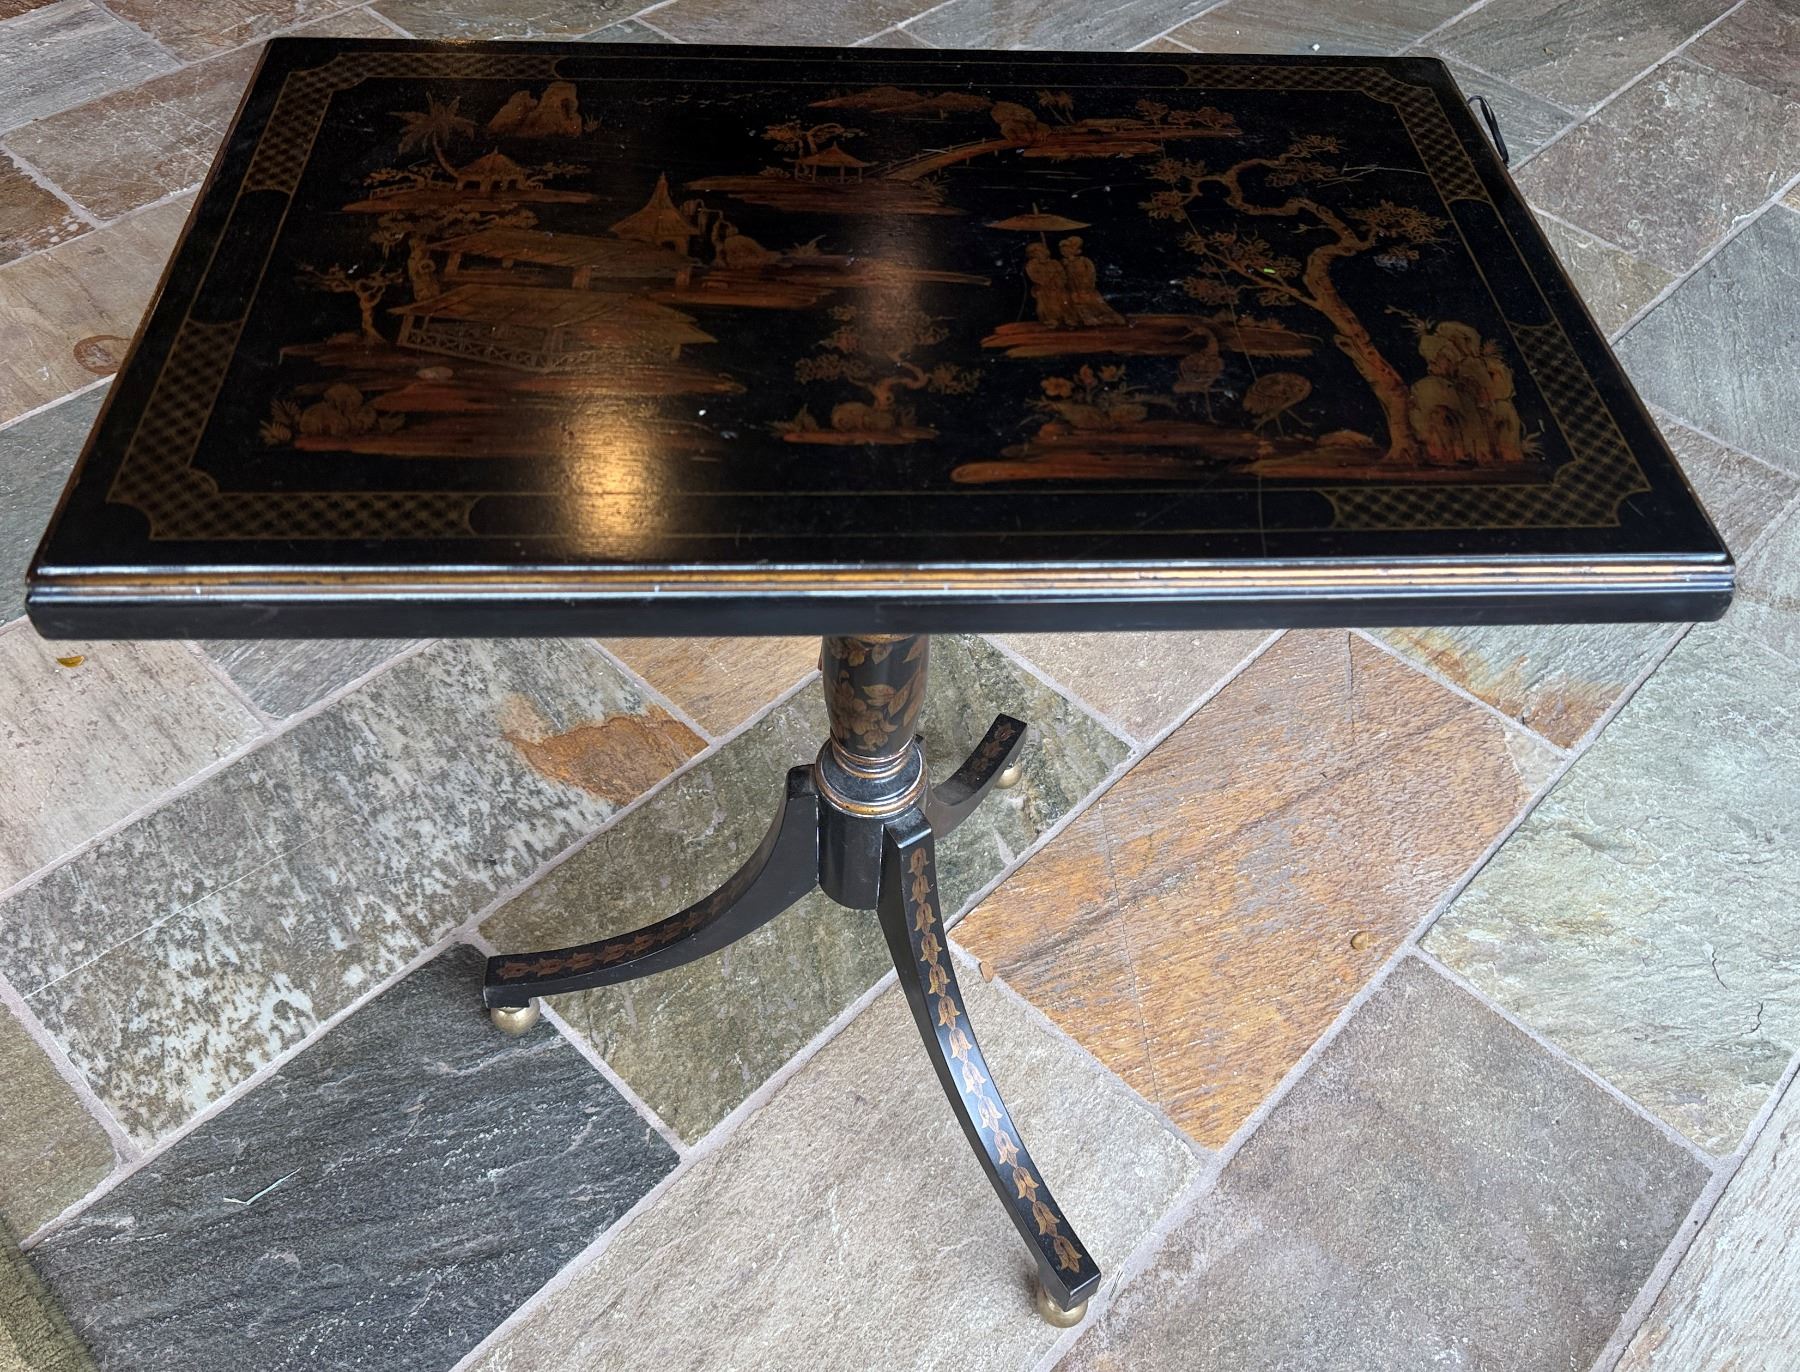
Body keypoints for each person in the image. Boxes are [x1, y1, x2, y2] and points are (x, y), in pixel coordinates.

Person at [1059, 237, 1125, 327]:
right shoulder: (1063, 262)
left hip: (1085, 288)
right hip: (1073, 288)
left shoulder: (1084, 260)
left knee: (1095, 304)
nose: (1064, 251)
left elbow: (1091, 273)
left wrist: (1088, 283)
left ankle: (1111, 318)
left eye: (1067, 249)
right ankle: (1086, 319)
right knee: (1078, 304)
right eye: (1062, 250)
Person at [1025, 242, 1073, 327]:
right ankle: (1051, 319)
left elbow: (1062, 274)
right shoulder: (1032, 265)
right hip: (1044, 289)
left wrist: (1059, 281)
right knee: (1047, 304)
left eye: (1041, 251)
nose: (1040, 253)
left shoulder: (1054, 263)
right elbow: (1034, 276)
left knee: (1063, 301)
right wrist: (1046, 280)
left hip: (1057, 287)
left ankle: (1066, 318)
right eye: (1036, 252)